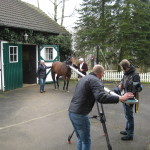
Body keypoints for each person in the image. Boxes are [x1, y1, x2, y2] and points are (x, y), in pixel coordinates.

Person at [68, 64, 134, 150]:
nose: (103, 75)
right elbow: (101, 97)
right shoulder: (95, 80)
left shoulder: (84, 78)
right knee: (86, 141)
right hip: (80, 114)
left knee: (81, 139)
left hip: (72, 112)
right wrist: (120, 98)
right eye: (103, 73)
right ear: (101, 73)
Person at [115, 59, 141, 141]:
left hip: (130, 98)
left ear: (124, 66)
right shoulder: (126, 73)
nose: (121, 68)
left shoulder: (135, 75)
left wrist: (130, 92)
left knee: (129, 116)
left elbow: (138, 88)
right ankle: (127, 130)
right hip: (124, 96)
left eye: (121, 67)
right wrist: (121, 84)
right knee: (127, 114)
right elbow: (123, 80)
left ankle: (130, 135)